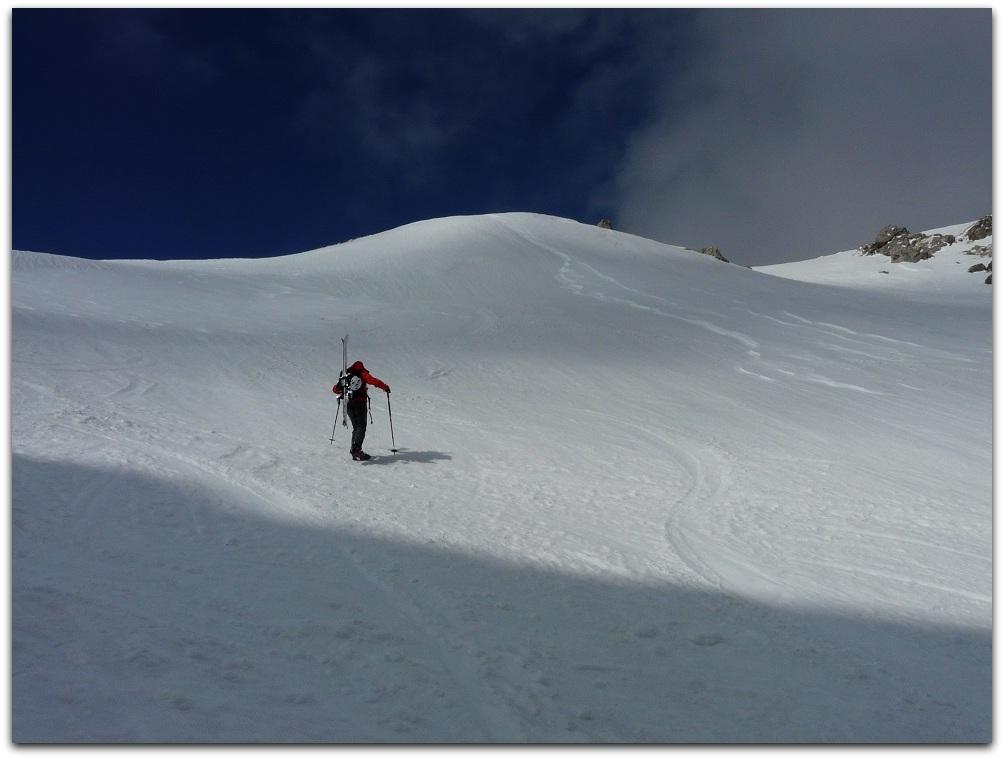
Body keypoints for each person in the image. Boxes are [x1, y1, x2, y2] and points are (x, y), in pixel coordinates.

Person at [332, 360, 390, 461]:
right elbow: (373, 381)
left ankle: (354, 450)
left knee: (356, 427)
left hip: (348, 404)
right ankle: (356, 449)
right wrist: (384, 387)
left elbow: (335, 389)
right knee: (361, 427)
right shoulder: (362, 374)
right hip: (360, 404)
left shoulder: (347, 376)